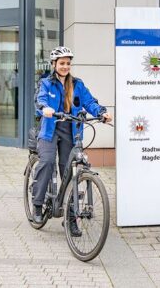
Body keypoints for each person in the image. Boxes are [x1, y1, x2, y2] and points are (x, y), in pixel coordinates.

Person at [32, 46, 112, 231]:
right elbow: (39, 100)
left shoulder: (77, 84)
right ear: (54, 64)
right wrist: (45, 108)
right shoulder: (46, 83)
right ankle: (37, 204)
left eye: (68, 63)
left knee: (70, 170)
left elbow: (90, 101)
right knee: (47, 161)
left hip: (71, 130)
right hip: (50, 130)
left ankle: (70, 217)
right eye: (61, 63)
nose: (65, 66)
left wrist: (102, 112)